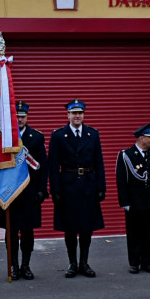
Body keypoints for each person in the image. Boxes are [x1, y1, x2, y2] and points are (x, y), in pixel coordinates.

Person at [48, 99, 106, 278]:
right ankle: (72, 263)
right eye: (74, 113)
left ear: (83, 115)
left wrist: (101, 187)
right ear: (68, 115)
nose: (77, 116)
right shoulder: (58, 136)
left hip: (88, 184)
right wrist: (55, 190)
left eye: (80, 113)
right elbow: (53, 166)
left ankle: (84, 262)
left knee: (87, 228)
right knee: (70, 227)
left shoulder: (92, 134)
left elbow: (99, 163)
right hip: (68, 186)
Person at [0, 101, 47, 280]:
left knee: (28, 232)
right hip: (10, 191)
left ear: (27, 117)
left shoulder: (36, 137)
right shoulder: (4, 138)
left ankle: (26, 265)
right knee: (11, 232)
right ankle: (13, 265)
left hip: (29, 193)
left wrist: (41, 190)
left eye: (23, 116)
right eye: (17, 116)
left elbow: (42, 166)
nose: (20, 119)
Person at [117, 124, 150, 274]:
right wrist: (124, 202)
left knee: (148, 234)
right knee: (134, 233)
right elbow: (121, 181)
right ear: (141, 138)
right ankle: (134, 263)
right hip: (135, 203)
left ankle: (146, 262)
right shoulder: (126, 155)